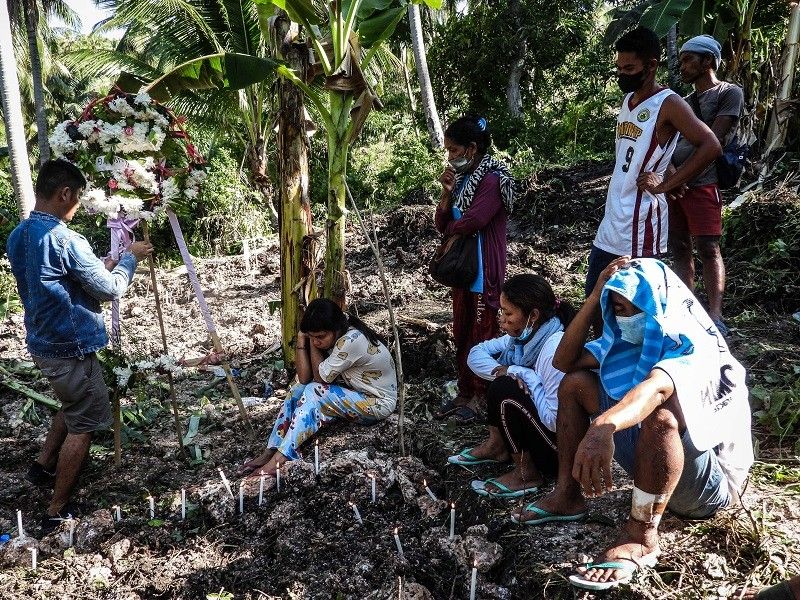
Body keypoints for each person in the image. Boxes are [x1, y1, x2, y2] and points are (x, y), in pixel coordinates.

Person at [514, 258, 753, 592]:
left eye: (628, 309)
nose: (622, 319)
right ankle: (568, 494)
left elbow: (656, 389)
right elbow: (563, 361)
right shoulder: (626, 343)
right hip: (654, 454)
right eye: (616, 310)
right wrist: (595, 295)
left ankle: (641, 537)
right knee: (576, 383)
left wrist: (603, 425)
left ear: (656, 305)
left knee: (661, 416)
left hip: (707, 487)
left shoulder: (692, 345)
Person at [6, 159, 153, 532]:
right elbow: (111, 289)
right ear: (64, 193)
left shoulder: (18, 235)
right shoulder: (65, 239)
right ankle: (57, 509)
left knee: (71, 404)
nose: (76, 208)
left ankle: (42, 467)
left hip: (43, 342)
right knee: (85, 423)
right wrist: (129, 260)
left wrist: (101, 265)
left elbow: (54, 282)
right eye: (76, 199)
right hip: (70, 347)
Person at [587, 27, 721, 330]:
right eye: (619, 68)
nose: (622, 74)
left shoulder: (669, 103)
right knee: (596, 298)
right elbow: (650, 150)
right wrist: (670, 170)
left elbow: (711, 144)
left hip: (640, 221)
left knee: (633, 310)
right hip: (614, 213)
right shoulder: (628, 101)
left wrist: (665, 185)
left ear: (651, 66)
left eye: (629, 68)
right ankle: (607, 365)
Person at [446, 274, 575, 498]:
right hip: (545, 432)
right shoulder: (522, 339)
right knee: (501, 375)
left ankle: (526, 474)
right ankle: (498, 446)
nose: (502, 321)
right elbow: (476, 354)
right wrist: (511, 371)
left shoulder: (553, 348)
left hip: (560, 452)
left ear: (532, 315)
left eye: (508, 313)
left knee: (504, 388)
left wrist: (524, 376)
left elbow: (556, 421)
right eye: (501, 312)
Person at [241, 298, 397, 476]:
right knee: (297, 390)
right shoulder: (338, 330)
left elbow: (319, 379)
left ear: (336, 329)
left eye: (320, 337)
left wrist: (311, 342)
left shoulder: (351, 341)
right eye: (312, 337)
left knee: (316, 391)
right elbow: (305, 378)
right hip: (356, 394)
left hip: (377, 403)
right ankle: (272, 449)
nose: (316, 342)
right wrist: (303, 338)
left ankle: (281, 457)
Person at [434, 115, 516, 423]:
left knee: (484, 334)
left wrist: (454, 228)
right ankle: (465, 391)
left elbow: (474, 221)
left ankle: (484, 397)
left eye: (454, 150)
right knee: (462, 330)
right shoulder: (460, 181)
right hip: (463, 272)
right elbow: (442, 223)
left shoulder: (493, 180)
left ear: (471, 149)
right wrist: (445, 193)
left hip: (484, 271)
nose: (450, 157)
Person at [669, 34, 745, 335]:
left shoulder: (729, 93)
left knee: (708, 247)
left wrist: (678, 178)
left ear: (708, 61)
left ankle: (715, 314)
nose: (683, 65)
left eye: (689, 59)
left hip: (702, 184)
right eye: (682, 58)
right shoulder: (683, 102)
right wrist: (672, 173)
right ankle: (686, 308)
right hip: (676, 187)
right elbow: (669, 144)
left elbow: (713, 142)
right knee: (679, 247)